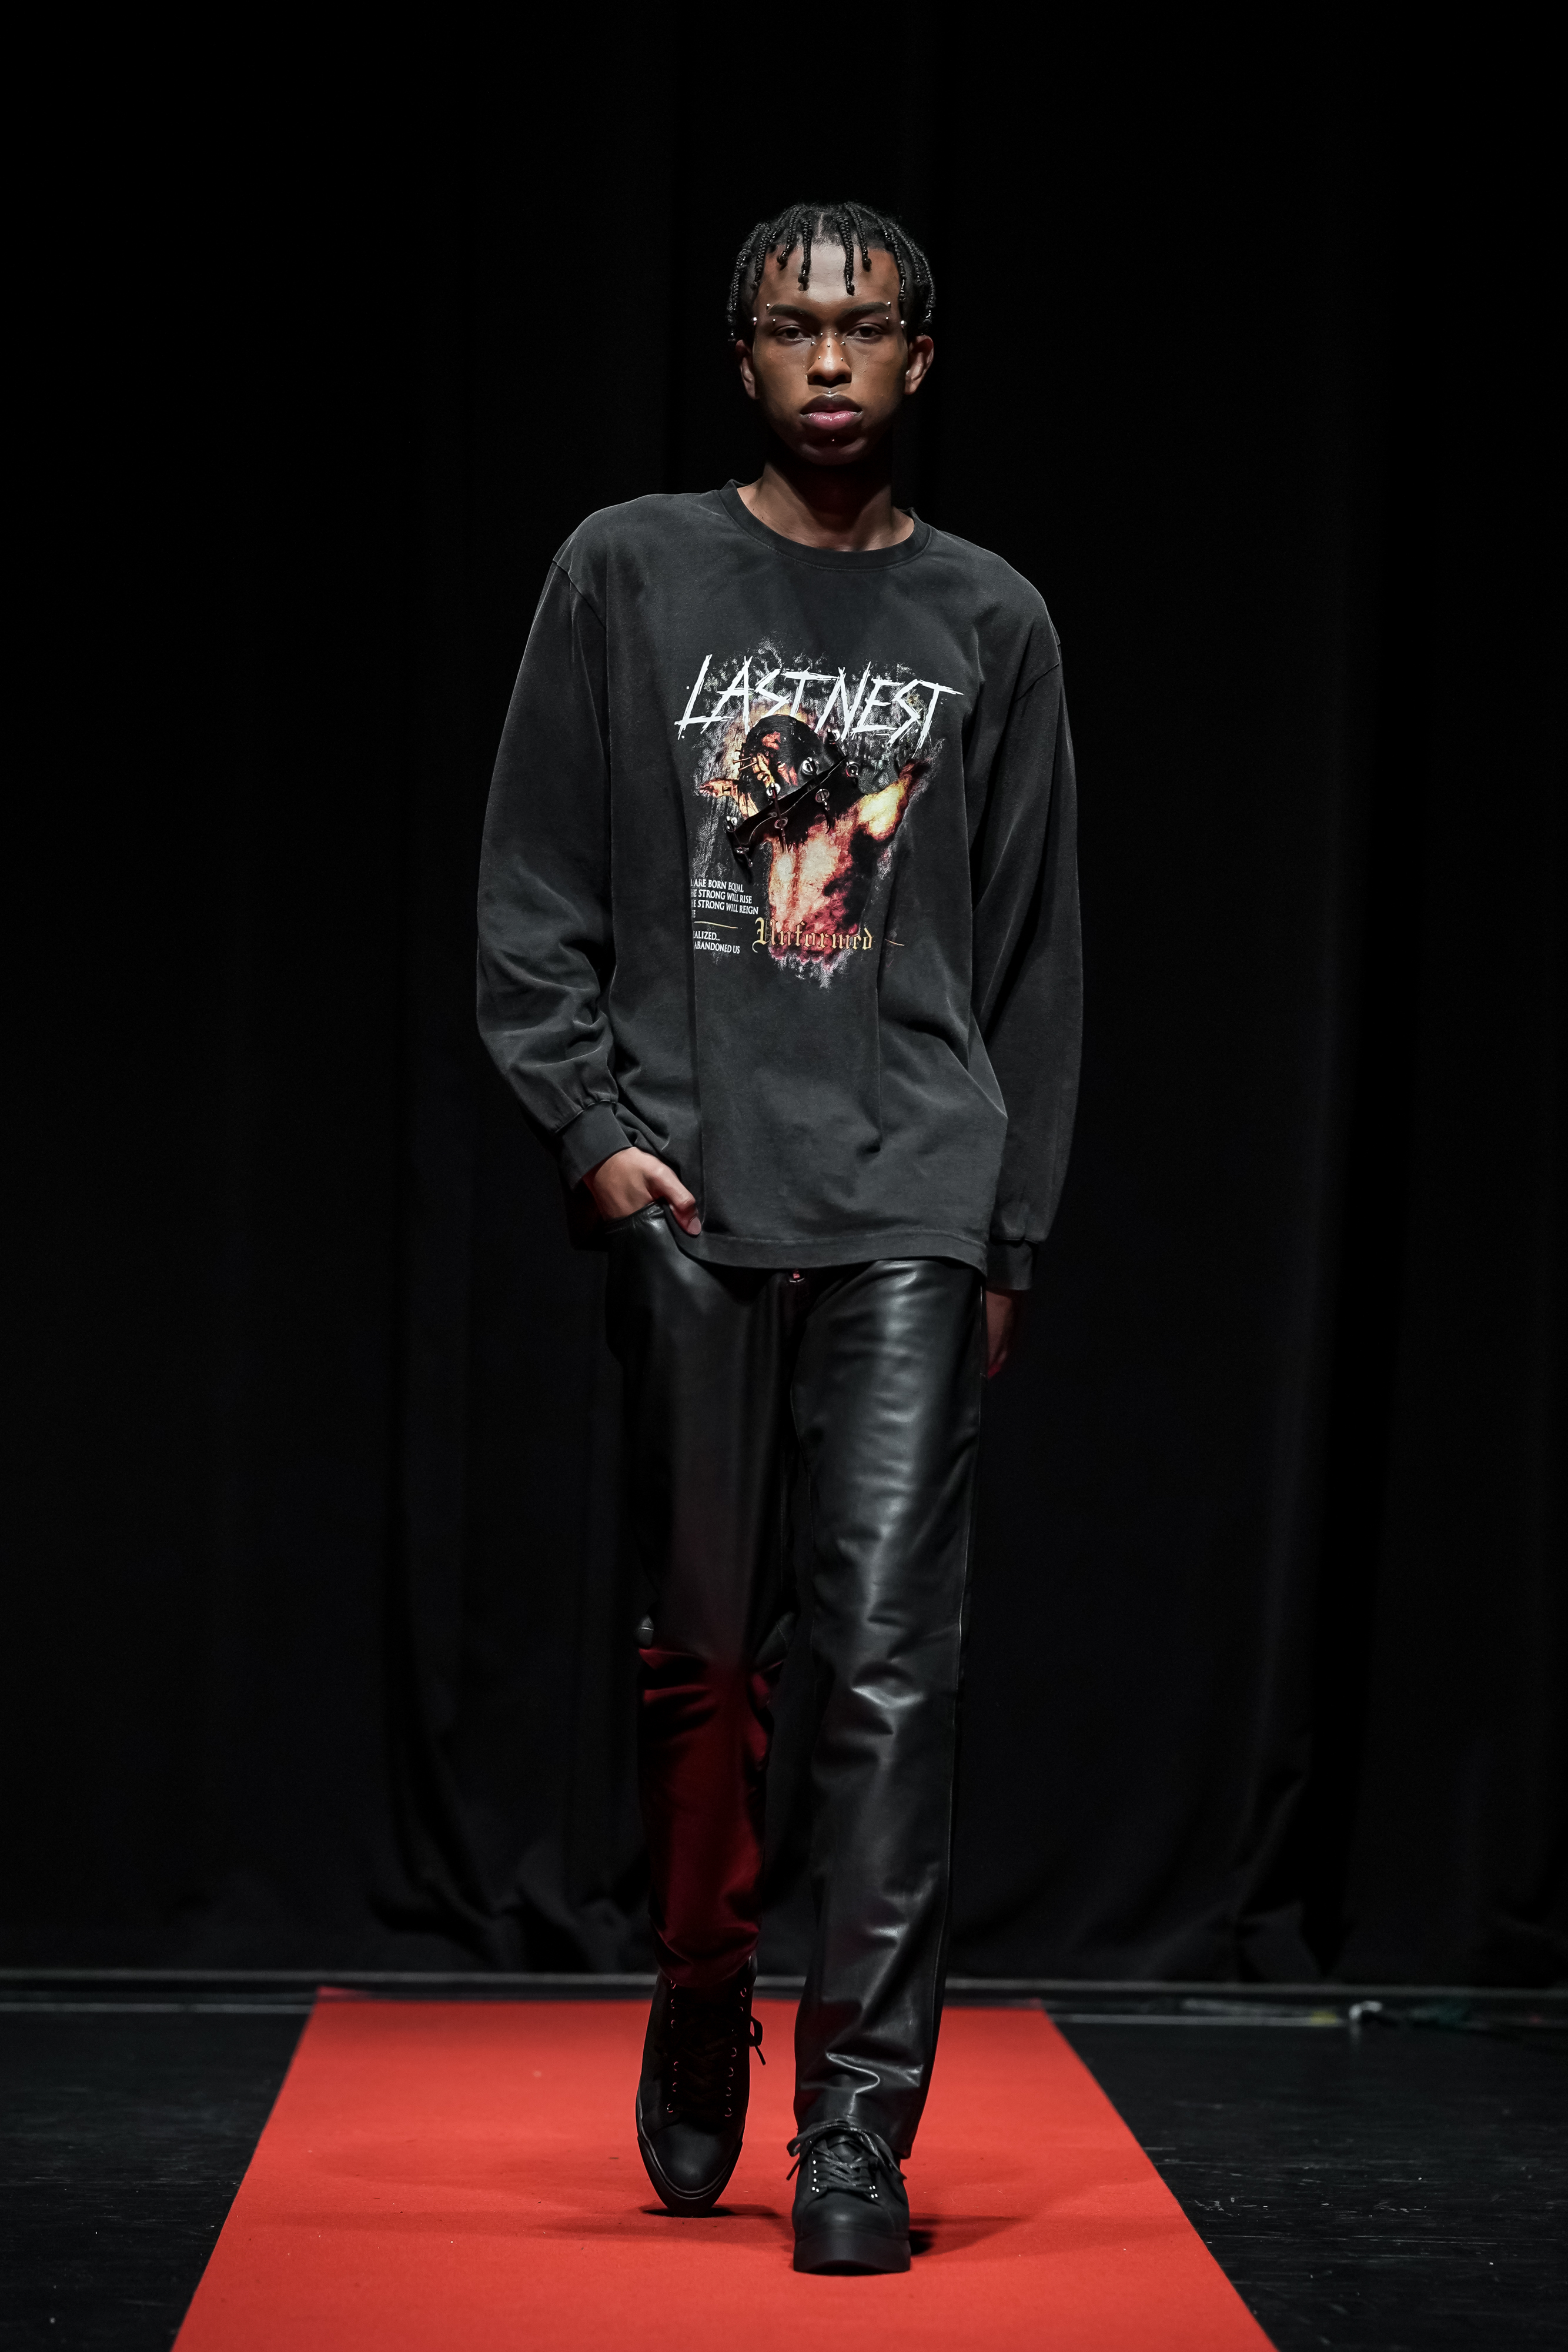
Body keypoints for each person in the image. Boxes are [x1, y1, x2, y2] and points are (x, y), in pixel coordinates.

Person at [476, 199, 1081, 2275]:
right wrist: (588, 1127)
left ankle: (855, 2128)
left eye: (868, 327)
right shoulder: (627, 570)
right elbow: (532, 880)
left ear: (922, 355)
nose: (832, 361)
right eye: (793, 328)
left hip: (912, 1184)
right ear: (740, 354)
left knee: (891, 1669)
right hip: (696, 1182)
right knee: (709, 1656)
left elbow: (1035, 953)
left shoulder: (991, 617)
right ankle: (700, 1967)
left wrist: (1005, 1229)